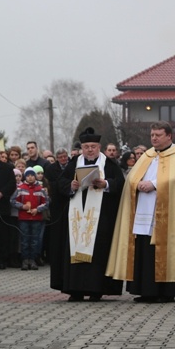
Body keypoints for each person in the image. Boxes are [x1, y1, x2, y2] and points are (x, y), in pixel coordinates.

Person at [107, 121, 175, 303]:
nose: (154, 138)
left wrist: (154, 184)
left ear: (169, 136)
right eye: (152, 135)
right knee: (144, 248)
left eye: (158, 135)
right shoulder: (147, 155)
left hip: (169, 215)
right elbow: (131, 178)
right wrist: (136, 183)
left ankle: (167, 291)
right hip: (143, 210)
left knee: (166, 249)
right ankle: (146, 290)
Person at [56, 128, 124, 301]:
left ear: (99, 147)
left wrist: (106, 184)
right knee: (74, 250)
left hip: (101, 217)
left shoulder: (108, 164)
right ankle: (75, 290)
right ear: (82, 148)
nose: (90, 150)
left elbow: (120, 184)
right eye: (86, 147)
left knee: (99, 251)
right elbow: (60, 183)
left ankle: (96, 289)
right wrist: (71, 186)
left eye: (93, 146)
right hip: (76, 218)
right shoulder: (74, 163)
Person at [10, 167, 49, 270]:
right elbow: (12, 201)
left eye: (32, 175)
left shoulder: (40, 189)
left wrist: (38, 209)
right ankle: (24, 260)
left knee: (35, 240)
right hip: (24, 218)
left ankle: (32, 259)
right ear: (25, 177)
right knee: (25, 239)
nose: (30, 177)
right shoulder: (20, 188)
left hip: (36, 218)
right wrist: (22, 206)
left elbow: (46, 202)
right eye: (28, 176)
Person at [44, 148, 69, 290]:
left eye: (65, 156)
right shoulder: (51, 168)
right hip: (57, 204)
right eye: (60, 157)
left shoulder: (71, 167)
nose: (63, 159)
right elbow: (50, 184)